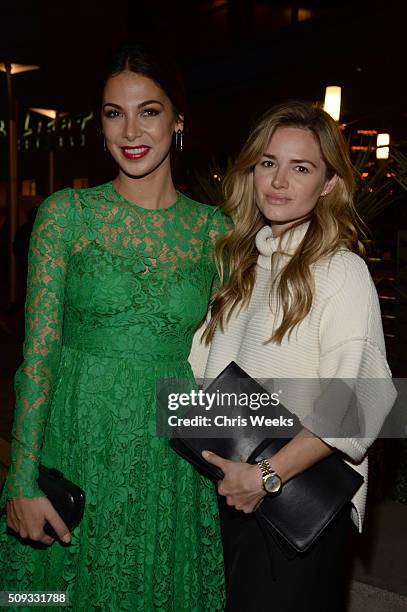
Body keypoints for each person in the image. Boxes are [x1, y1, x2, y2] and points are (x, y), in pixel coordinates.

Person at [0, 43, 231, 610]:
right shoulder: (67, 216)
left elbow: (238, 355)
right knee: (50, 597)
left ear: (178, 121)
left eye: (148, 111)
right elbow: (37, 357)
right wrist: (21, 479)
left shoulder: (216, 232)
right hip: (75, 440)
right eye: (113, 113)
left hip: (170, 460)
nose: (130, 130)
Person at [193, 101, 396, 611]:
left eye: (300, 167)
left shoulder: (340, 271)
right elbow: (202, 381)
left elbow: (355, 402)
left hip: (295, 509)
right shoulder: (239, 268)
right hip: (231, 497)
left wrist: (265, 476)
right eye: (268, 163)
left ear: (328, 184)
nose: (278, 181)